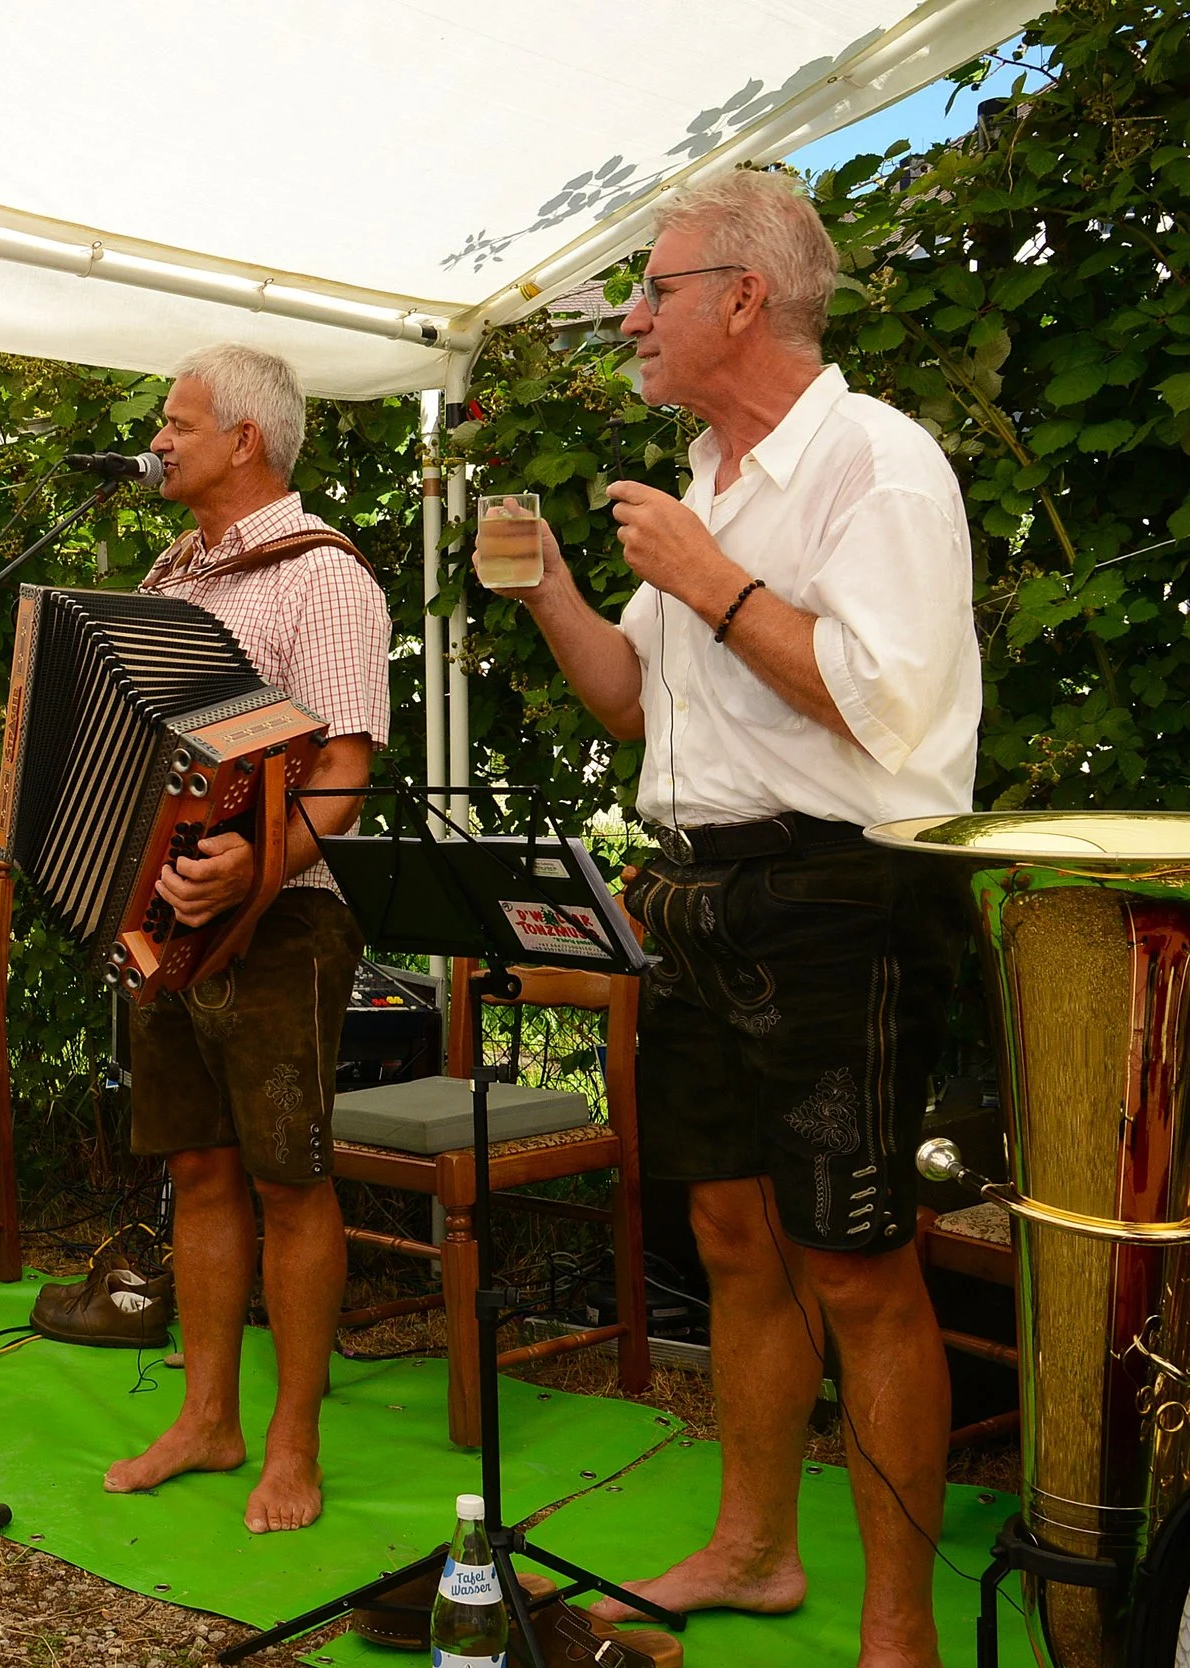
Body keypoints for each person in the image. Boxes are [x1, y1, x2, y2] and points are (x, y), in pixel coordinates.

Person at [496, 172, 975, 1668]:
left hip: (843, 895)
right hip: (698, 891)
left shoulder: (875, 465)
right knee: (729, 1238)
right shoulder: (709, 479)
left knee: (857, 1261)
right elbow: (634, 699)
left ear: (743, 298)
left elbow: (887, 708)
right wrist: (557, 593)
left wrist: (710, 583)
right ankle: (757, 1551)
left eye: (653, 289)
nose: (631, 318)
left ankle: (896, 1628)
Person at [95, 344, 388, 1535]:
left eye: (175, 423)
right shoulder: (173, 578)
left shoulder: (325, 580)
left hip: (284, 922)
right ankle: (207, 1418)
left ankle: (293, 1443)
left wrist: (250, 872)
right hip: (166, 914)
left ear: (244, 440)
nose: (156, 440)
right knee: (198, 1168)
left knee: (288, 1176)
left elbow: (343, 780)